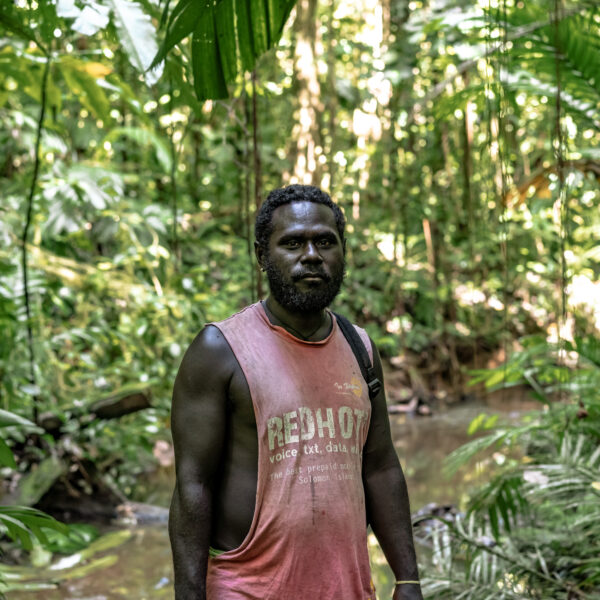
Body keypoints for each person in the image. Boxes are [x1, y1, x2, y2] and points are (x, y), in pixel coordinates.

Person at [169, 185, 423, 600]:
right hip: (247, 588)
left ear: (342, 252)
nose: (311, 254)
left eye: (325, 241)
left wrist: (408, 579)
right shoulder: (219, 350)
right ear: (262, 256)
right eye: (292, 243)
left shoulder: (360, 347)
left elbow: (381, 468)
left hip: (349, 588)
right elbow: (192, 485)